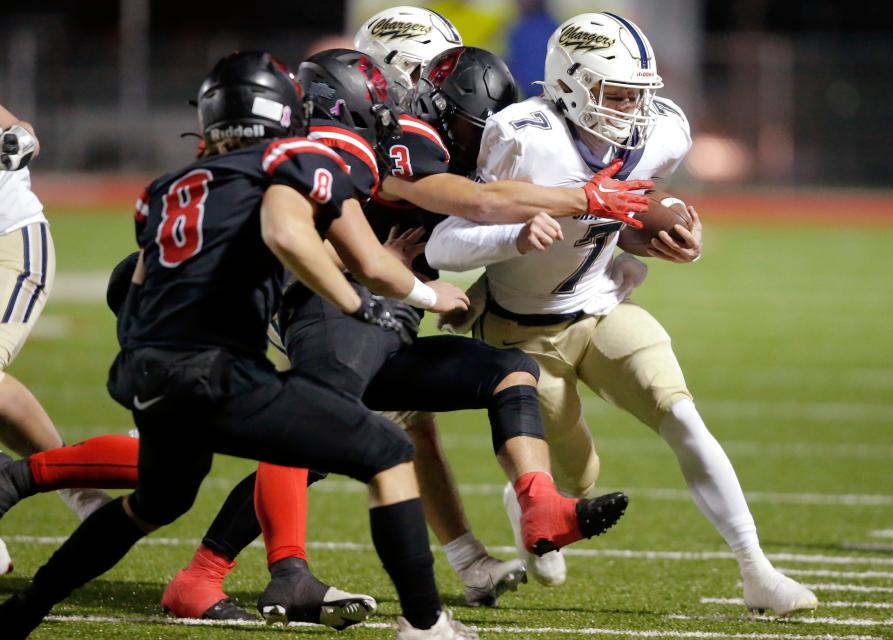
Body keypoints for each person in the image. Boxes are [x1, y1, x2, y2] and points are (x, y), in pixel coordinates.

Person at [0, 51, 486, 640]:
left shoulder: (165, 188)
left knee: (154, 504)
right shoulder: (294, 157)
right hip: (220, 372)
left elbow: (135, 290)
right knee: (386, 448)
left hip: (145, 374)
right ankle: (426, 624)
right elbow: (307, 241)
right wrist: (371, 304)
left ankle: (27, 610)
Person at [160, 46, 635, 623]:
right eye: (470, 126)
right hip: (335, 308)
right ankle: (231, 576)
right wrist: (582, 198)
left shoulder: (456, 151)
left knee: (509, 374)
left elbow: (468, 231)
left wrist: (634, 233)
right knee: (312, 433)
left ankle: (540, 506)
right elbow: (471, 206)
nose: (478, 141)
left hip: (388, 319)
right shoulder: (410, 136)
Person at [425, 13, 820, 617]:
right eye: (617, 94)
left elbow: (640, 207)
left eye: (639, 94)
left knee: (682, 414)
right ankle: (528, 499)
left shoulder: (662, 131)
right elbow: (445, 244)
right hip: (521, 331)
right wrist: (513, 236)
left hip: (604, 306)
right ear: (571, 84)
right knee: (579, 477)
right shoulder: (523, 135)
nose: (631, 108)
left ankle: (756, 569)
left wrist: (677, 225)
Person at [0, 104, 112, 576]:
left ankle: (82, 491)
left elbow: (22, 131)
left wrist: (15, 141)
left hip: (9, 243)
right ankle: (86, 494)